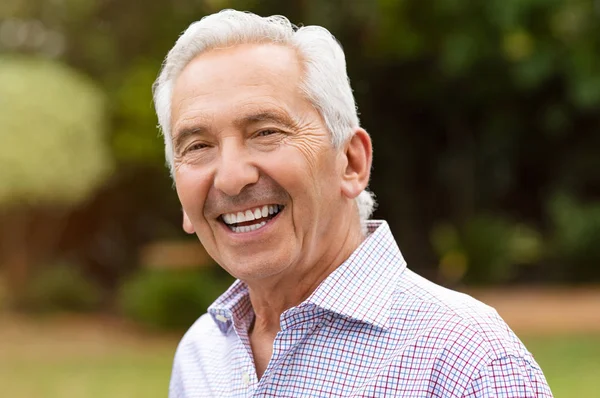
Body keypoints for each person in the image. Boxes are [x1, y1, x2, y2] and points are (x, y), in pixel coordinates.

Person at [152, 9, 553, 398]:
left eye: (266, 132)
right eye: (199, 146)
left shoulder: (468, 361)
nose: (231, 177)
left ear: (351, 162)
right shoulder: (201, 354)